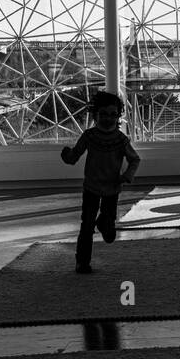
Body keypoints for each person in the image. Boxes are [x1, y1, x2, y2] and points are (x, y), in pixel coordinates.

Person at [61, 90, 142, 274]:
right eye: (104, 114)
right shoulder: (89, 136)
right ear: (95, 115)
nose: (108, 118)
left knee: (109, 234)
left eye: (113, 114)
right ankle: (82, 262)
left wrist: (127, 175)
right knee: (86, 225)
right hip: (91, 188)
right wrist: (67, 155)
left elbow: (134, 159)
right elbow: (74, 156)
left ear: (118, 116)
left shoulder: (121, 140)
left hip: (112, 189)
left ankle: (104, 224)